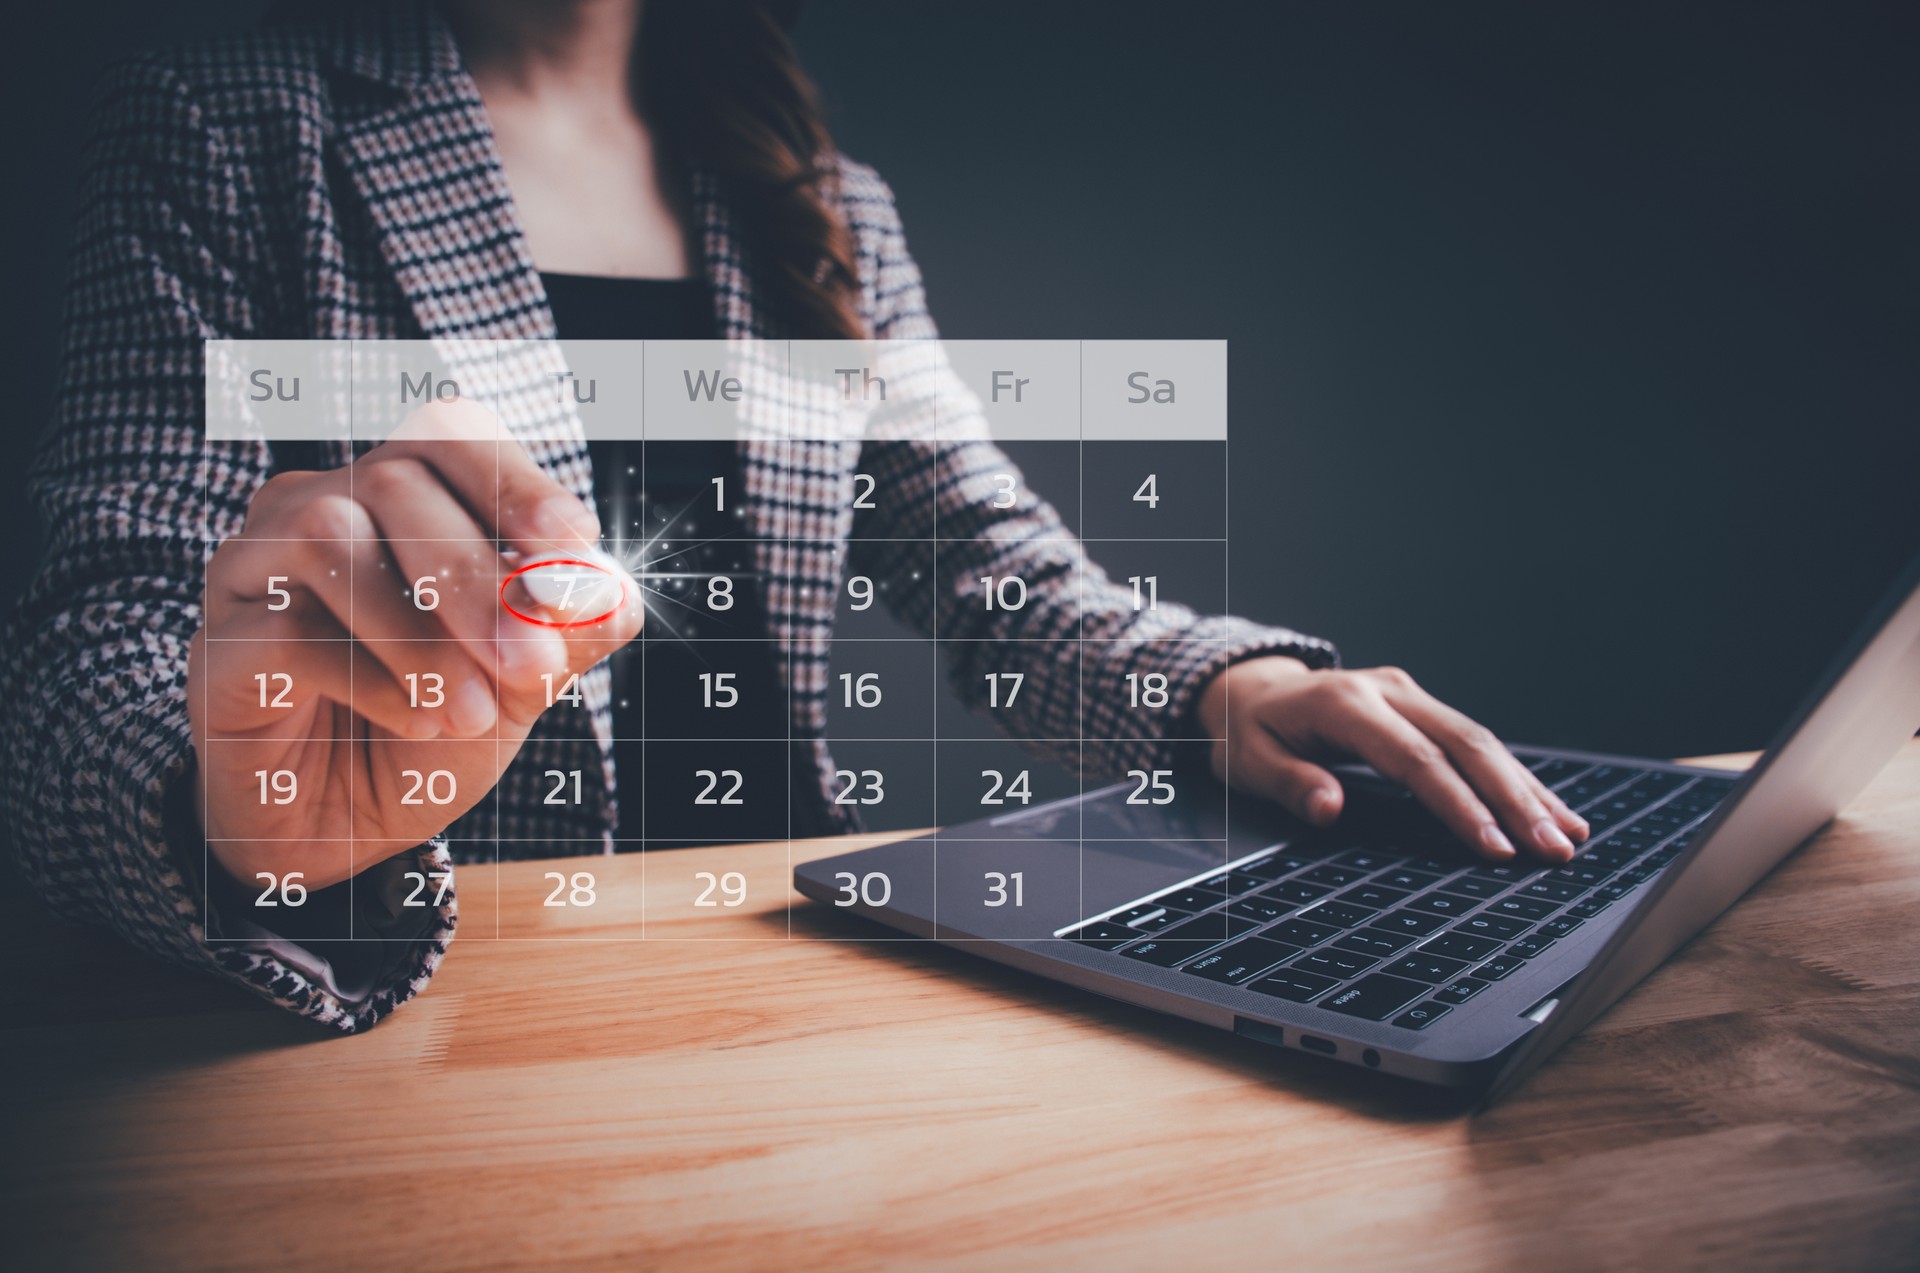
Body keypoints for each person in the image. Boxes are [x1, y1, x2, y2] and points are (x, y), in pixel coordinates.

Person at [0, 0, 1586, 1031]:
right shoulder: (225, 126)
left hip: (777, 976)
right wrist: (229, 827)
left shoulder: (822, 195)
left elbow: (991, 567)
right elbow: (87, 647)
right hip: (415, 1005)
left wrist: (1226, 688)